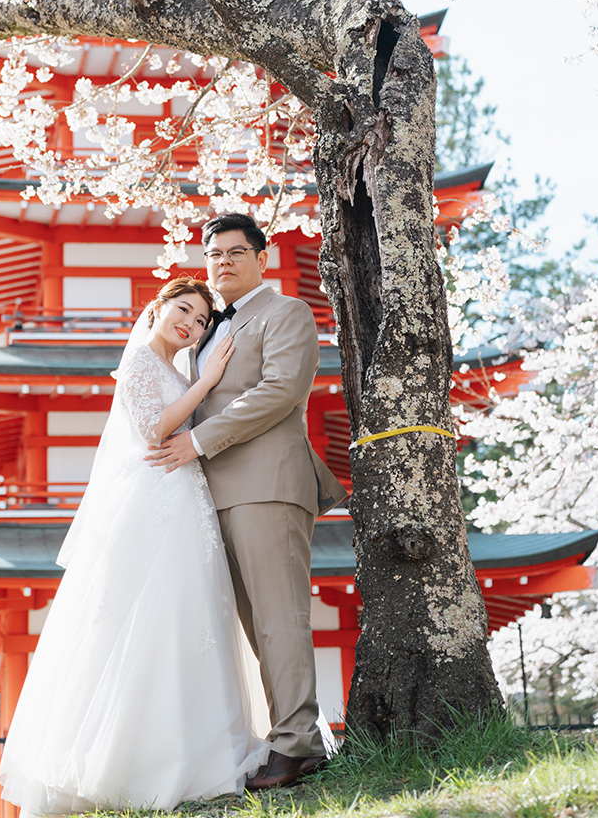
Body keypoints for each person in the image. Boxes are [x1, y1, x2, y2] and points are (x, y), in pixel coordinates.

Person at [0, 277, 270, 814]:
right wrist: (208, 379)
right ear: (160, 306)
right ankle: (127, 761)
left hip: (185, 503)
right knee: (139, 618)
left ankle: (193, 750)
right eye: (182, 309)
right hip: (150, 504)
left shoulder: (176, 368)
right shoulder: (142, 361)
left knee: (188, 619)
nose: (189, 323)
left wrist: (200, 379)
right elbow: (152, 428)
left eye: (198, 320)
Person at [146, 213, 350, 790]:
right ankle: (276, 737)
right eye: (213, 254)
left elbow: (281, 391)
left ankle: (299, 745)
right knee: (249, 625)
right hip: (209, 497)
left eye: (236, 251)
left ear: (262, 257)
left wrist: (198, 440)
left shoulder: (285, 313)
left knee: (280, 619)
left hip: (268, 485)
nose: (224, 262)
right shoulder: (204, 329)